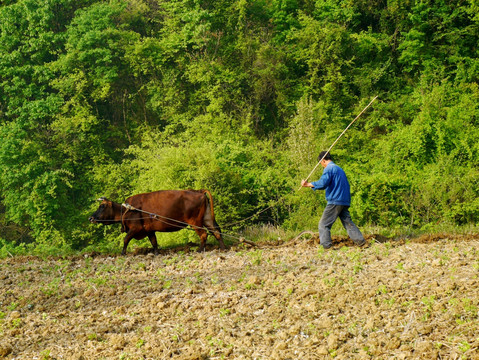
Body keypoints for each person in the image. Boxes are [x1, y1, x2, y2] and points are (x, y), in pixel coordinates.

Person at [301, 151, 365, 249]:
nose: (322, 166)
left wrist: (308, 184)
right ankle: (361, 242)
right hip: (344, 200)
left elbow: (323, 183)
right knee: (348, 223)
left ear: (323, 161)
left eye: (321, 164)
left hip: (335, 200)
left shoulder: (329, 169)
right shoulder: (339, 169)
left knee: (323, 224)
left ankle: (326, 246)